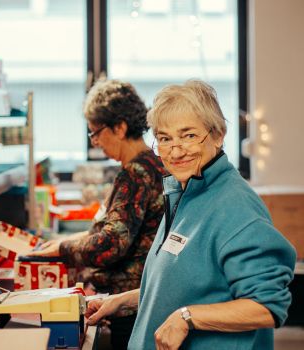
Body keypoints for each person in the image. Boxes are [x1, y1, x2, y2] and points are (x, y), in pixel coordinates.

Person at [85, 79, 297, 350]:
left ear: (218, 135)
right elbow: (190, 286)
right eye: (164, 138)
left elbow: (267, 306)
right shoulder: (185, 191)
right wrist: (123, 300)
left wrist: (186, 318)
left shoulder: (235, 205)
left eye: (189, 135)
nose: (176, 150)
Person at [28, 79, 167, 349]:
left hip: (130, 307)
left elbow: (111, 243)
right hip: (142, 299)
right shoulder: (152, 164)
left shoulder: (135, 174)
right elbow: (116, 228)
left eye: (96, 133)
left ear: (120, 127)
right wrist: (61, 243)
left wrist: (63, 249)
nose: (95, 142)